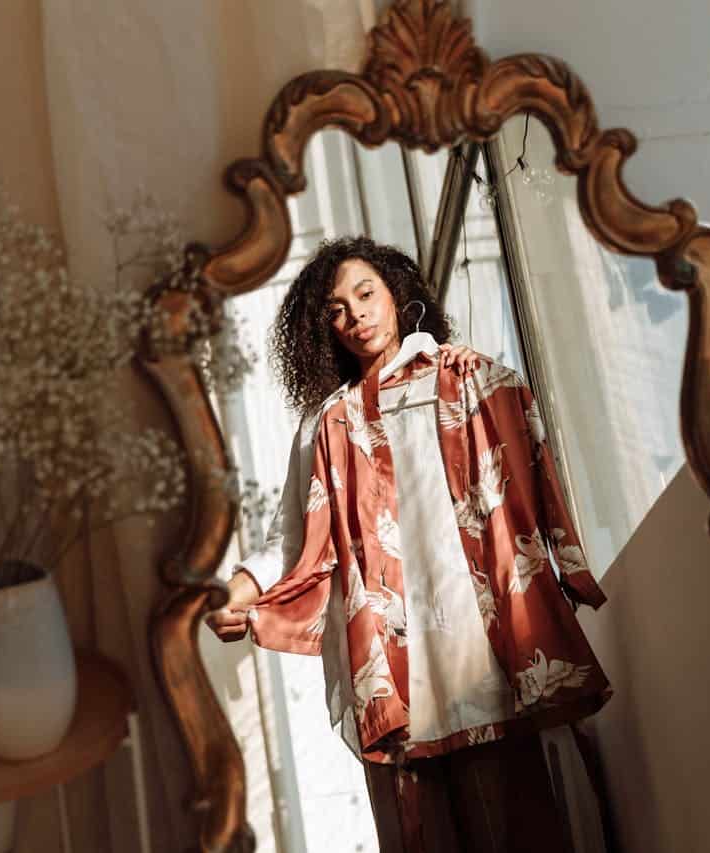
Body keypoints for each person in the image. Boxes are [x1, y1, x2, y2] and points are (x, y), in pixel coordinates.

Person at [207, 236, 612, 852]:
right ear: (324, 332)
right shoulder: (327, 423)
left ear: (397, 293)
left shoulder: (468, 378)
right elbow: (292, 537)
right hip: (393, 666)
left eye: (366, 294)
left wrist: (568, 571)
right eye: (337, 310)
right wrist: (237, 591)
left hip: (482, 648)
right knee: (425, 833)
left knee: (520, 824)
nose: (356, 315)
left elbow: (534, 463)